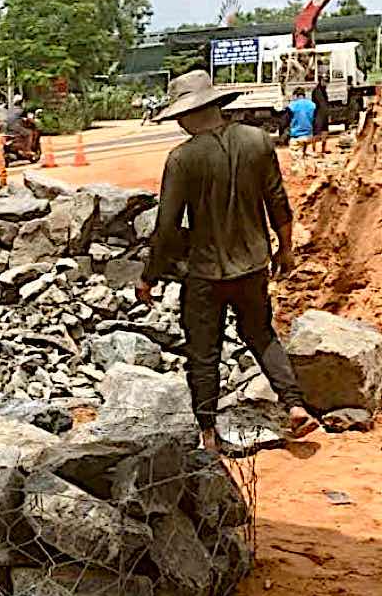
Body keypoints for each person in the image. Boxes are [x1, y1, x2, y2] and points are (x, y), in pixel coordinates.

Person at [138, 71, 320, 455]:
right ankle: (294, 404)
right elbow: (278, 202)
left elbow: (166, 228)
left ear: (188, 114)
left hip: (205, 274)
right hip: (253, 265)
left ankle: (208, 434)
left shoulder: (183, 159)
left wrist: (149, 277)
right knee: (261, 335)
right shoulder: (257, 142)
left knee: (203, 353)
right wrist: (284, 250)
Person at [287, 88, 317, 158]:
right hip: (309, 136)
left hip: (296, 137)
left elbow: (285, 121)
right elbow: (316, 120)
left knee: (297, 162)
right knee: (309, 164)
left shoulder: (292, 106)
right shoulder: (312, 105)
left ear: (295, 96)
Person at [312, 78, 331, 155]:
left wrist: (328, 114)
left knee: (325, 131)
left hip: (324, 113)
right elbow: (322, 103)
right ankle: (314, 149)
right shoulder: (317, 91)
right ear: (321, 81)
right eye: (324, 81)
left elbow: (326, 103)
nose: (325, 83)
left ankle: (323, 148)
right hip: (318, 113)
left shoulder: (323, 90)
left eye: (327, 82)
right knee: (317, 132)